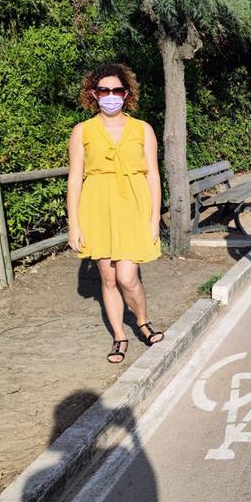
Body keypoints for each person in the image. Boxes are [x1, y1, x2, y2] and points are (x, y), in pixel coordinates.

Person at [67, 63, 163, 364]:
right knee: (108, 279)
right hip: (97, 207)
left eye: (117, 90)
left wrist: (154, 218)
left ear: (127, 93)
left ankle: (142, 320)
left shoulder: (142, 129)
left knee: (127, 276)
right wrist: (74, 224)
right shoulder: (82, 131)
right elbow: (74, 178)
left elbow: (153, 176)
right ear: (93, 94)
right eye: (104, 90)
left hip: (134, 205)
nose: (111, 95)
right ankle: (120, 337)